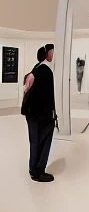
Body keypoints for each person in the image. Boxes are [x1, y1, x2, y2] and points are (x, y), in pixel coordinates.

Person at [24, 44, 56, 182]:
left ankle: (33, 170)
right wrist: (53, 114)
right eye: (52, 52)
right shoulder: (46, 71)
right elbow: (48, 96)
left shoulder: (35, 68)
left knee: (35, 141)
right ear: (47, 53)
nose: (54, 55)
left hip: (32, 113)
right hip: (41, 114)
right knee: (43, 141)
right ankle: (39, 171)